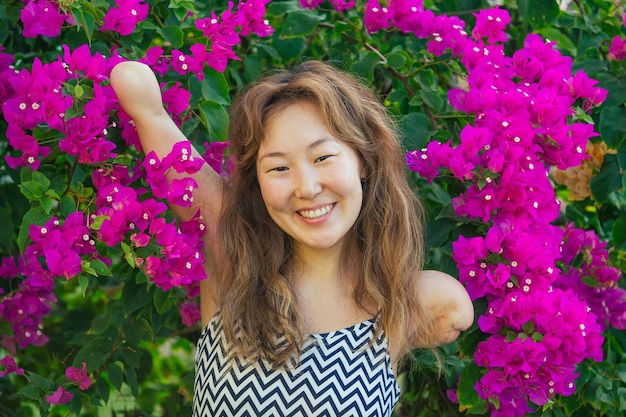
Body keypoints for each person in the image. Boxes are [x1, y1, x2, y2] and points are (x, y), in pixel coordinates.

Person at [110, 60, 474, 417]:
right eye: (279, 167)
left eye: (323, 157)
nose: (307, 187)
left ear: (363, 160)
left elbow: (454, 312)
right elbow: (145, 105)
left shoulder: (400, 301)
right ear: (258, 181)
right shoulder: (233, 257)